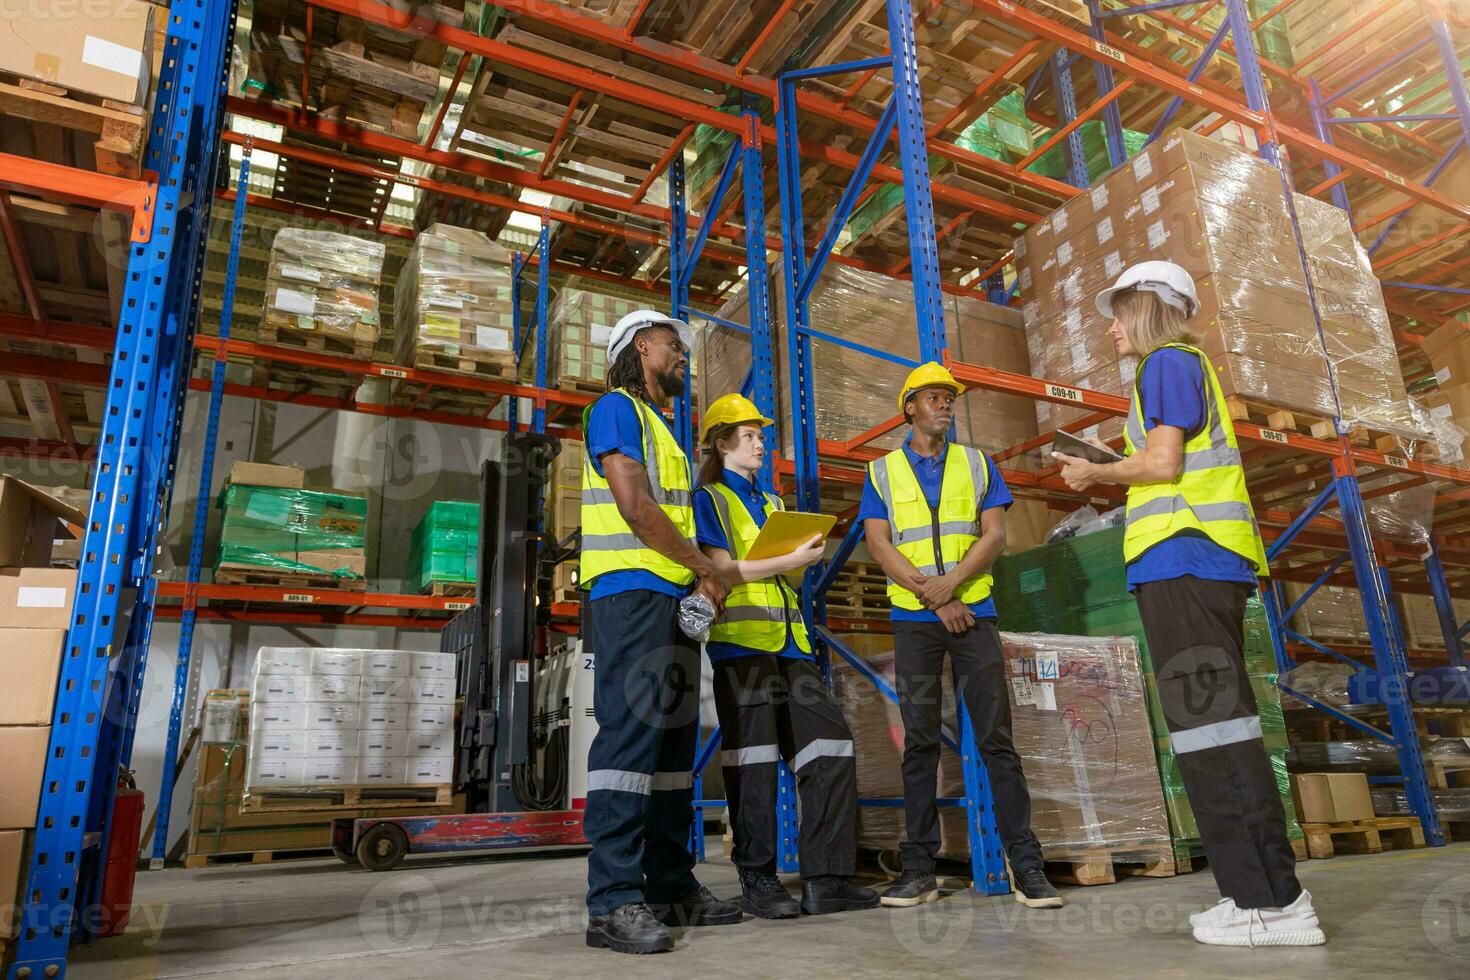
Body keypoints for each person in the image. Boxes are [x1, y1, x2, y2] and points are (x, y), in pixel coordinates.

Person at [1053, 260, 1325, 948]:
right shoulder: (1178, 370)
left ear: (1147, 307)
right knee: (1214, 729)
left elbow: (1164, 466)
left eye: (1117, 311)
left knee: (1213, 732)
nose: (1111, 327)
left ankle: (1272, 903)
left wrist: (1094, 470)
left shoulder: (1167, 364)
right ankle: (1254, 893)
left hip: (1186, 558)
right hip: (1195, 563)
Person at [859, 362, 1063, 911]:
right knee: (919, 744)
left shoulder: (977, 464)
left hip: (974, 616)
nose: (946, 405)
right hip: (916, 620)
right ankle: (919, 870)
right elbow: (878, 545)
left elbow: (995, 535)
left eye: (949, 398)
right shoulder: (881, 472)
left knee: (998, 741)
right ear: (910, 408)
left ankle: (1027, 867)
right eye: (934, 397)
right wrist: (937, 597)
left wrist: (953, 588)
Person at [581, 309, 741, 955]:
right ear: (642, 346)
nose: (683, 358)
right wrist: (705, 567)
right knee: (630, 744)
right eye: (674, 346)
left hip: (670, 598)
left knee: (673, 750)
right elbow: (634, 507)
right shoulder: (616, 408)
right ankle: (613, 902)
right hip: (631, 593)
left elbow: (672, 511)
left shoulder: (662, 430)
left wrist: (700, 579)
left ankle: (672, 885)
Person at [692, 393, 881, 919]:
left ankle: (826, 878)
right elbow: (721, 571)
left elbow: (786, 575)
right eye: (749, 435)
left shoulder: (773, 504)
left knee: (830, 746)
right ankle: (758, 879)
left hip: (792, 646)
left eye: (760, 434)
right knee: (753, 763)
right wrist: (786, 558)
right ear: (722, 443)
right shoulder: (711, 499)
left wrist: (802, 560)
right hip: (743, 648)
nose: (759, 442)